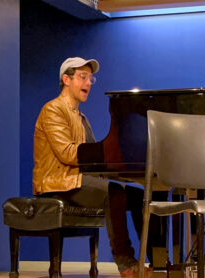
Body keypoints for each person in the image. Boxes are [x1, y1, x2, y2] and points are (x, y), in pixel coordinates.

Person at [32, 57, 152, 278]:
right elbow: (67, 153)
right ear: (66, 80)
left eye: (90, 78)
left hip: (76, 180)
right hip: (56, 182)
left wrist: (123, 172)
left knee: (139, 196)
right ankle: (126, 264)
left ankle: (159, 262)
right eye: (82, 77)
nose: (88, 83)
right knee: (113, 194)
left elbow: (95, 162)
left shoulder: (81, 117)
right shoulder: (53, 110)